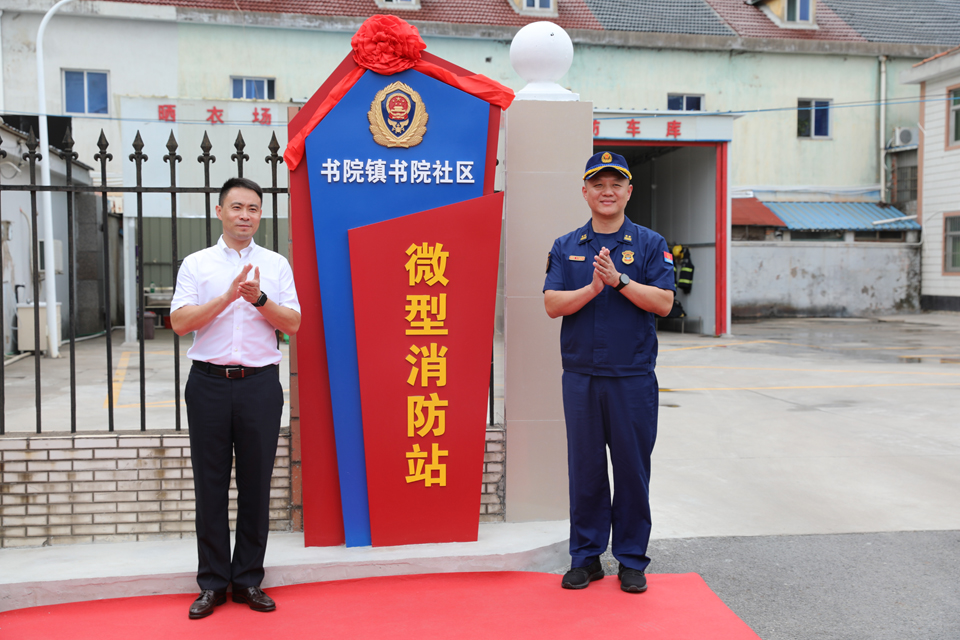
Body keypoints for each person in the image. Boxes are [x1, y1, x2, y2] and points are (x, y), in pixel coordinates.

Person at [543, 151, 675, 593]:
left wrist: (620, 281)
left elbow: (664, 303)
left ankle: (632, 560)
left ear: (628, 192)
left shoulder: (651, 244)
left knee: (632, 470)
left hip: (632, 377)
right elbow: (552, 304)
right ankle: (586, 558)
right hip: (581, 376)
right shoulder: (566, 246)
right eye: (598, 184)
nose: (607, 192)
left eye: (615, 184)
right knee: (585, 470)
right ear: (584, 192)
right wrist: (592, 287)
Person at [171, 177, 301, 619]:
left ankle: (247, 580)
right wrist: (228, 297)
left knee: (255, 485)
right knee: (209, 485)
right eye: (237, 207)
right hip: (208, 383)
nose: (245, 215)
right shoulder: (197, 264)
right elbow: (180, 323)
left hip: (259, 386)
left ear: (260, 215)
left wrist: (259, 299)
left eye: (253, 209)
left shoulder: (276, 265)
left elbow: (293, 323)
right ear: (220, 211)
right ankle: (211, 583)